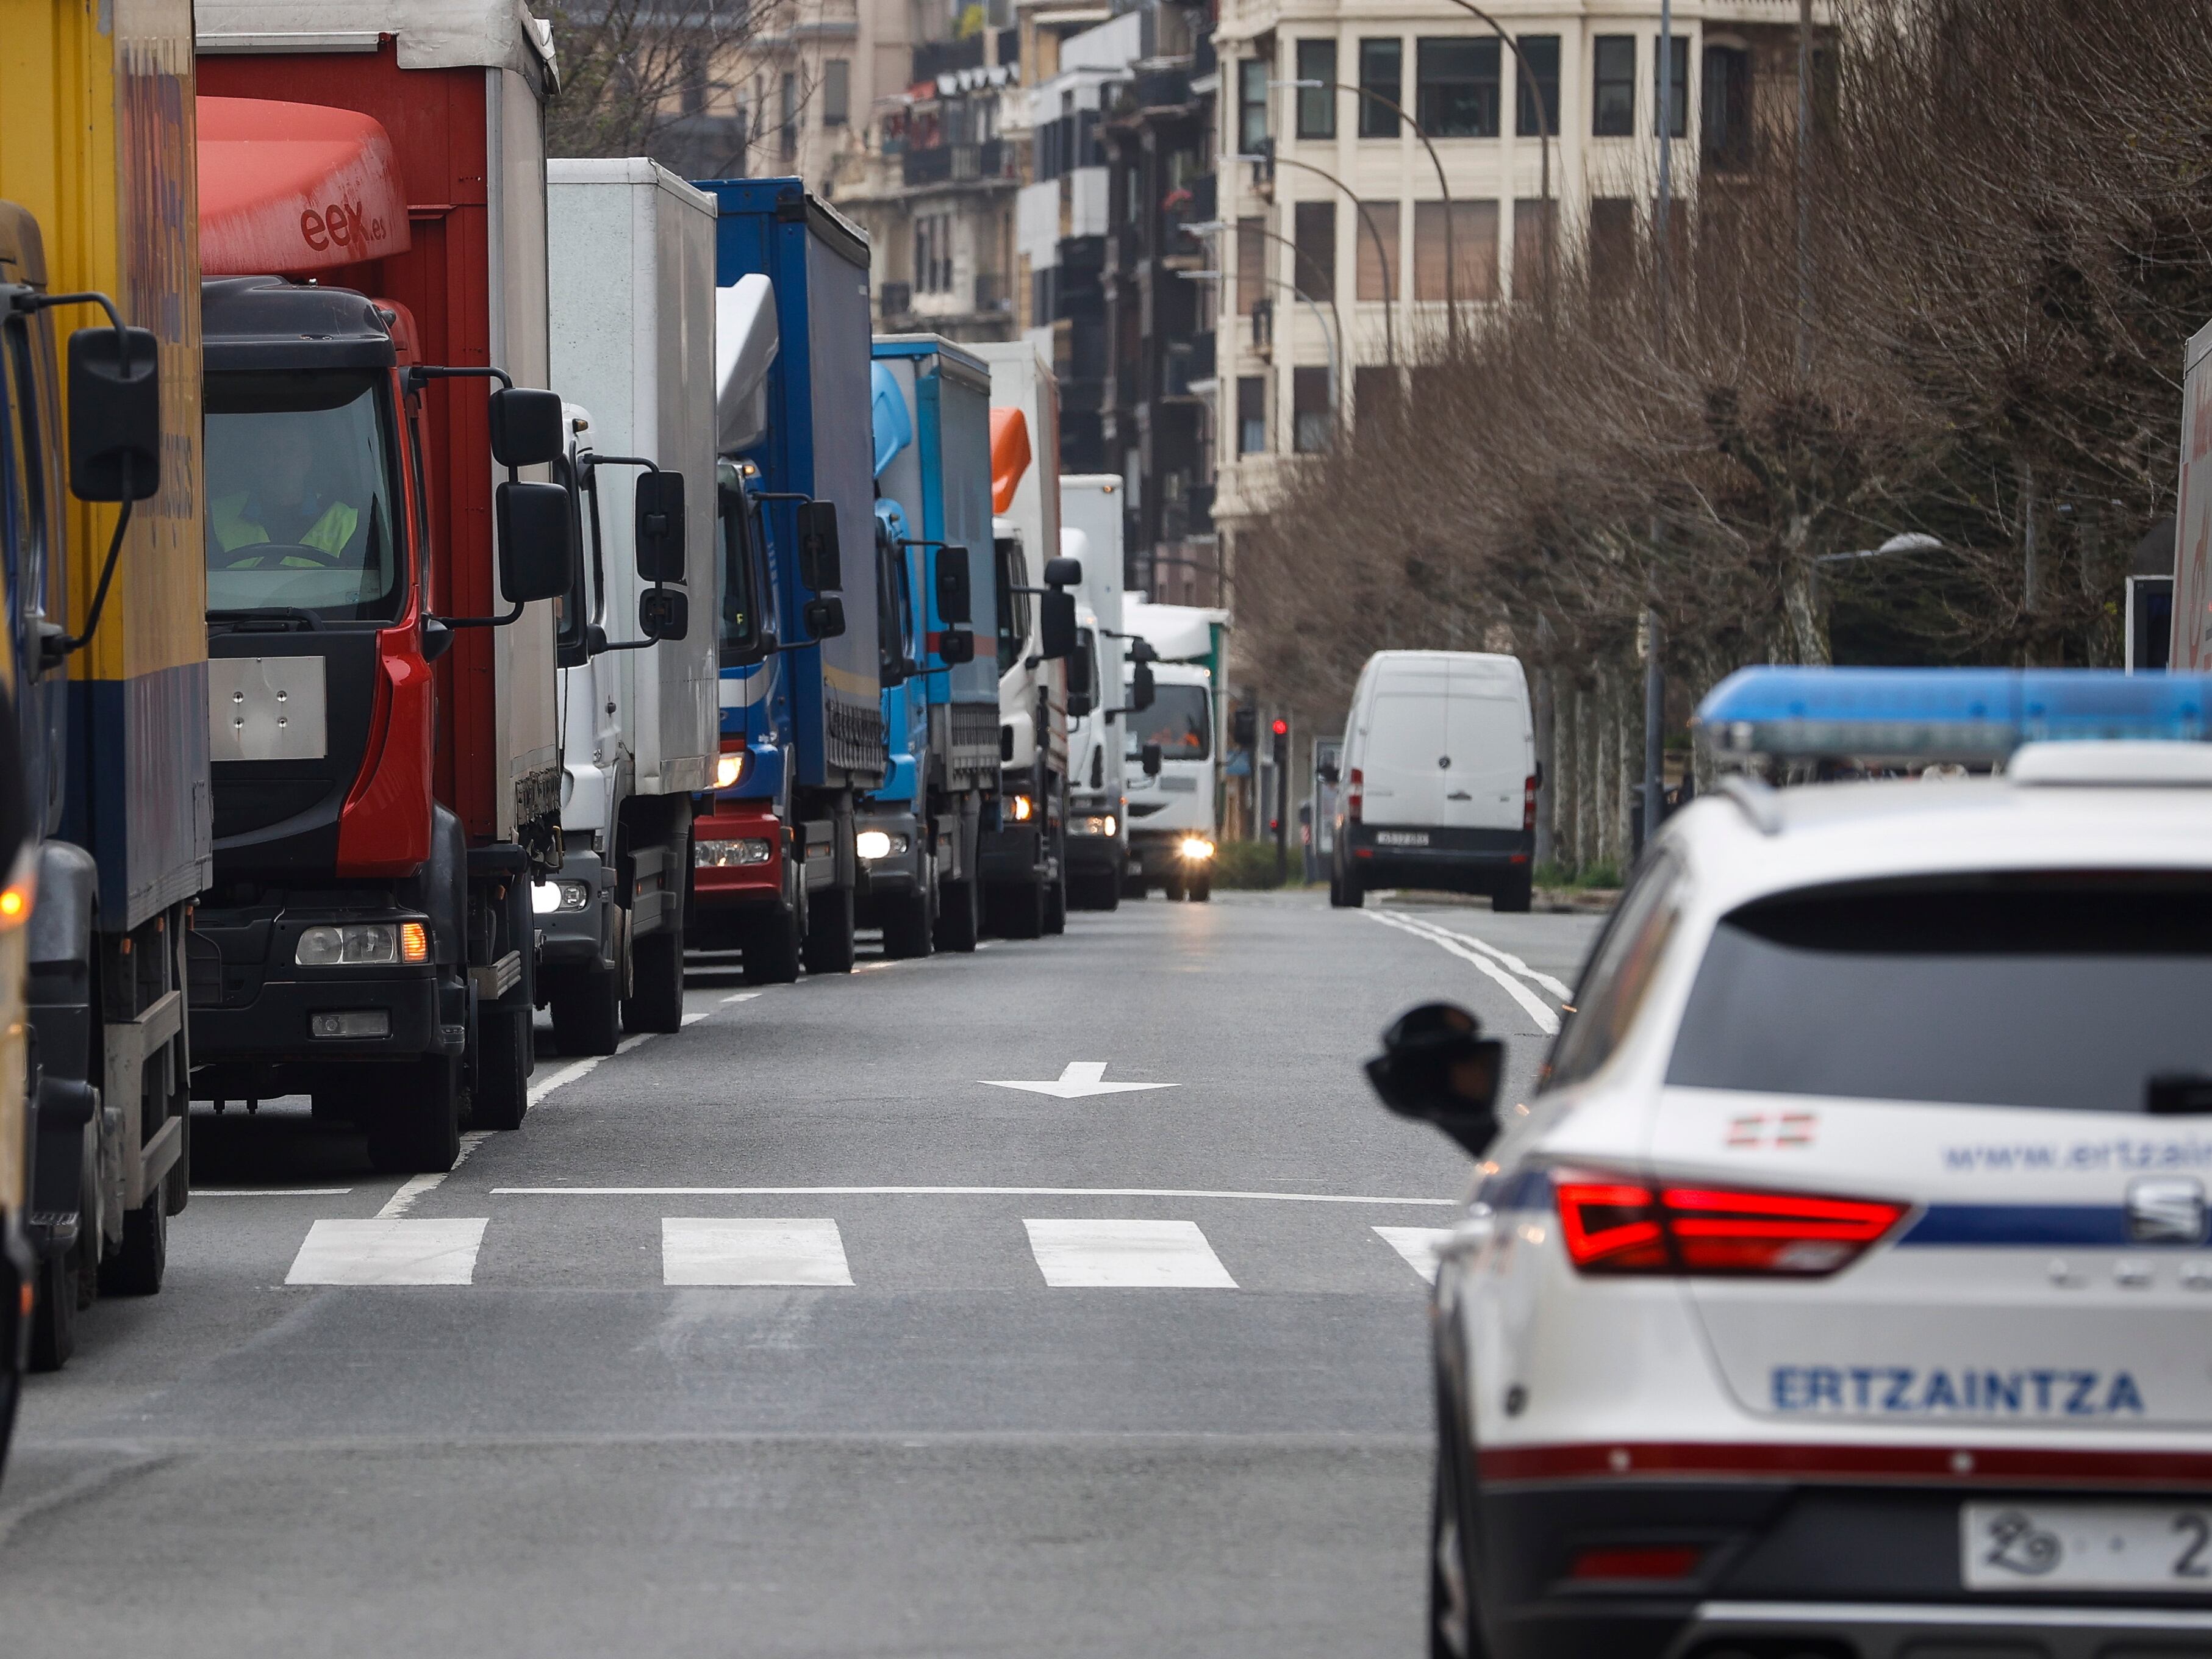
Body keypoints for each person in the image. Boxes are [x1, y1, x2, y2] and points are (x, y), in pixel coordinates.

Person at [208, 421, 360, 566]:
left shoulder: (346, 520)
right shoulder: (212, 515)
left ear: (307, 460)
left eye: (291, 449)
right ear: (254, 461)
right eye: (269, 449)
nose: (280, 459)